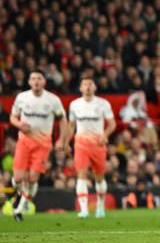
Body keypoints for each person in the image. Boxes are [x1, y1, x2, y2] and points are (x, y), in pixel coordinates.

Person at [9, 69, 68, 221]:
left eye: (39, 78)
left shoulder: (52, 100)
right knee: (18, 178)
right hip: (24, 141)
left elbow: (62, 119)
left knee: (33, 178)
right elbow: (13, 117)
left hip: (43, 143)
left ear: (44, 81)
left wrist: (61, 139)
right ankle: (20, 194)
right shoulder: (22, 97)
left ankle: (20, 208)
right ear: (29, 82)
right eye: (33, 78)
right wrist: (20, 125)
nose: (36, 81)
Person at [68, 77, 116, 218]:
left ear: (95, 87)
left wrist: (105, 134)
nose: (87, 87)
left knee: (99, 177)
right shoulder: (74, 105)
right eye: (84, 84)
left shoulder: (103, 104)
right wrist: (66, 142)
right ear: (80, 88)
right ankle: (84, 210)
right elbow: (71, 126)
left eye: (90, 84)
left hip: (98, 144)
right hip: (81, 144)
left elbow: (112, 123)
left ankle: (100, 206)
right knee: (81, 175)